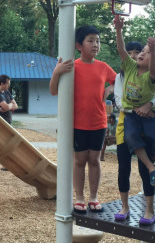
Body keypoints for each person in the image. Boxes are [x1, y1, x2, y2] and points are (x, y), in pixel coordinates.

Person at [49, 25, 116, 213]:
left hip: (98, 122)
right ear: (79, 45)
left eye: (98, 41)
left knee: (94, 159)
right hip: (77, 123)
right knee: (79, 160)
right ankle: (79, 198)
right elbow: (53, 91)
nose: (95, 44)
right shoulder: (72, 67)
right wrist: (57, 71)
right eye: (90, 40)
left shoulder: (103, 67)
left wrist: (109, 89)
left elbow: (118, 80)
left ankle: (93, 197)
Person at [114, 15, 155, 225]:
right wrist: (118, 30)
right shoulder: (127, 70)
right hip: (129, 118)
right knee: (125, 164)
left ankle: (149, 207)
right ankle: (125, 206)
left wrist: (153, 49)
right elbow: (121, 50)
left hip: (148, 118)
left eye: (145, 52)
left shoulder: (151, 77)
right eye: (141, 51)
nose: (139, 54)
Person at [0, 74, 18, 176]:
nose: (9, 85)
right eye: (7, 84)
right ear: (2, 83)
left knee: (6, 144)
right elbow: (7, 106)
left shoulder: (7, 92)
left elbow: (15, 105)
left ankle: (4, 164)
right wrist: (10, 106)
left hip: (8, 122)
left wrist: (9, 106)